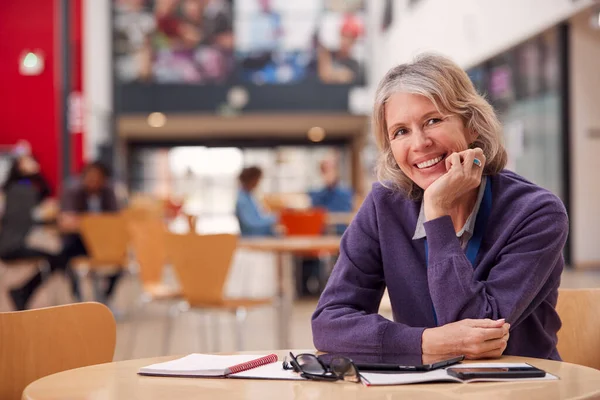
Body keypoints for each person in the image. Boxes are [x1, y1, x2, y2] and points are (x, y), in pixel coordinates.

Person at [312, 54, 568, 360]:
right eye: (400, 132)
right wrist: (425, 343)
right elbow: (328, 324)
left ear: (472, 125)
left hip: (517, 386)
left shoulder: (536, 213)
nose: (419, 143)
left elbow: (477, 331)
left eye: (432, 120)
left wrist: (436, 212)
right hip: (424, 387)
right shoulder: (384, 206)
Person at [9, 161, 124, 310]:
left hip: (103, 243)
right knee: (60, 258)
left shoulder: (108, 192)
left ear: (103, 180)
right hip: (77, 242)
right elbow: (66, 221)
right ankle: (75, 299)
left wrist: (85, 222)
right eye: (90, 177)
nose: (93, 182)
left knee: (118, 259)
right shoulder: (73, 190)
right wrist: (90, 223)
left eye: (97, 179)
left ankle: (103, 298)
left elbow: (115, 220)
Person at [235, 166, 277, 236]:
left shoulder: (249, 195)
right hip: (252, 236)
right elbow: (250, 224)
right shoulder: (242, 199)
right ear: (252, 179)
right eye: (258, 179)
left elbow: (258, 217)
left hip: (258, 234)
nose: (258, 183)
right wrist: (273, 219)